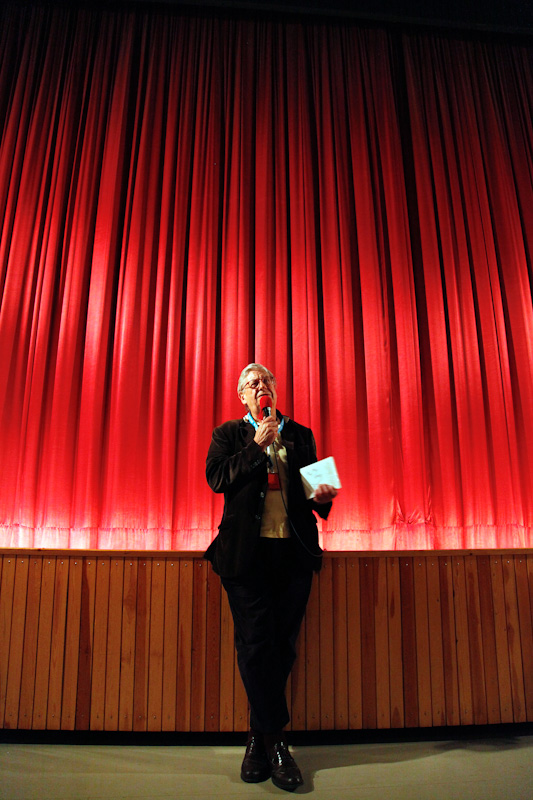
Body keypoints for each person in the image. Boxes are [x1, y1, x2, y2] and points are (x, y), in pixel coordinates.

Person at [204, 363, 338, 791]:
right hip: (246, 558)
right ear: (243, 397)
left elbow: (320, 497)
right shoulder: (228, 434)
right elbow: (216, 478)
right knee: (256, 644)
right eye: (252, 384)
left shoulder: (300, 433)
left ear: (276, 390)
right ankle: (276, 743)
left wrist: (324, 488)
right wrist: (256, 447)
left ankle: (256, 738)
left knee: (282, 647)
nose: (261, 387)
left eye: (266, 381)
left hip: (293, 554)